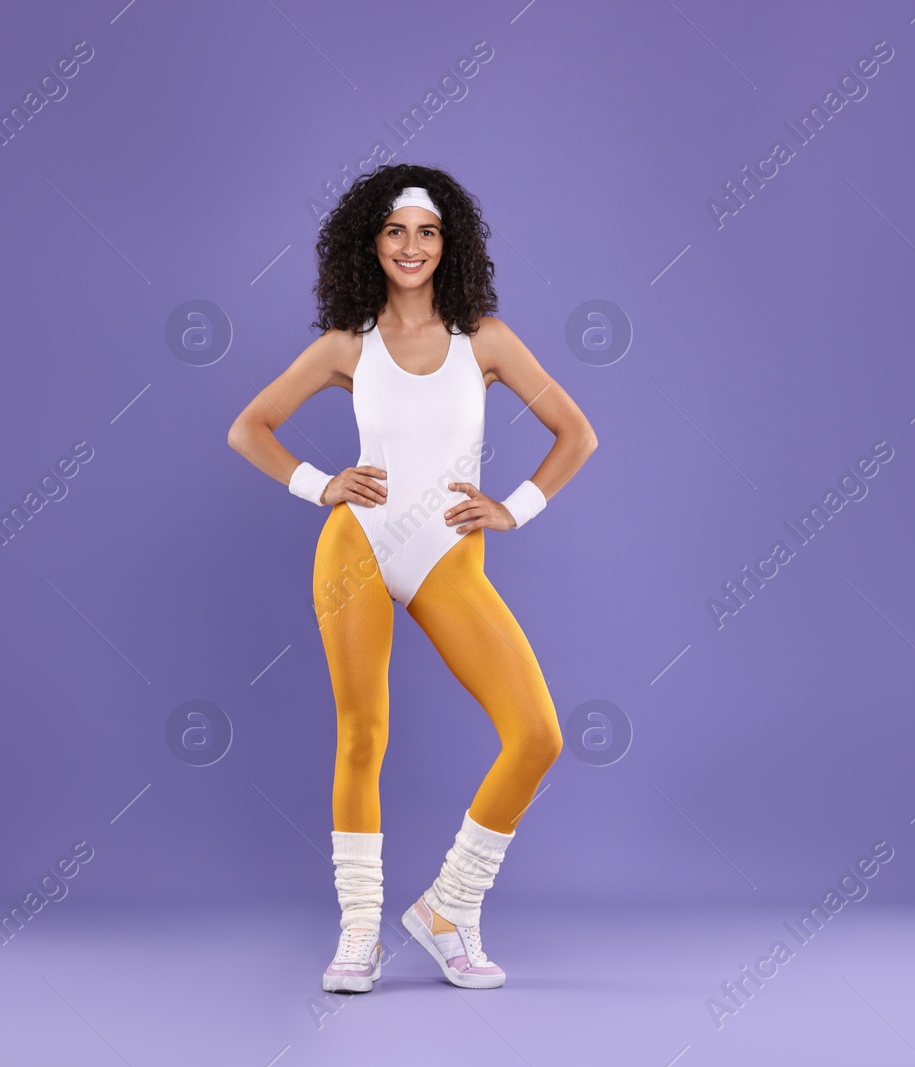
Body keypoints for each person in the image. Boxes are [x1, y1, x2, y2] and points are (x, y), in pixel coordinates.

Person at [227, 164, 597, 992]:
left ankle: (448, 909)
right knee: (363, 732)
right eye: (395, 231)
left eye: (426, 232)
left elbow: (577, 434)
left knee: (537, 733)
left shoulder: (486, 342)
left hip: (447, 554)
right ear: (371, 242)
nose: (411, 246)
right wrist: (318, 483)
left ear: (448, 243)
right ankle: (359, 932)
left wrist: (517, 506)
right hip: (356, 543)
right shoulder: (345, 345)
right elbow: (248, 428)